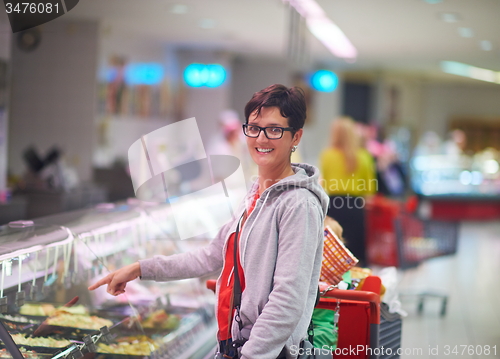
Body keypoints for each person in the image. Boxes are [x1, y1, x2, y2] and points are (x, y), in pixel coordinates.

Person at [89, 84, 329, 359]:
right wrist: (140, 268)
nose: (261, 138)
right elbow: (210, 256)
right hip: (233, 343)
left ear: (295, 136)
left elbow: (288, 301)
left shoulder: (299, 204)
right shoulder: (256, 193)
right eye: (254, 127)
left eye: (274, 129)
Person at [319, 116, 376, 266]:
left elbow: (322, 183)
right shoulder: (364, 156)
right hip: (355, 206)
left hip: (334, 205)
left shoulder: (327, 155)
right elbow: (370, 190)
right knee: (356, 251)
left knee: (335, 250)